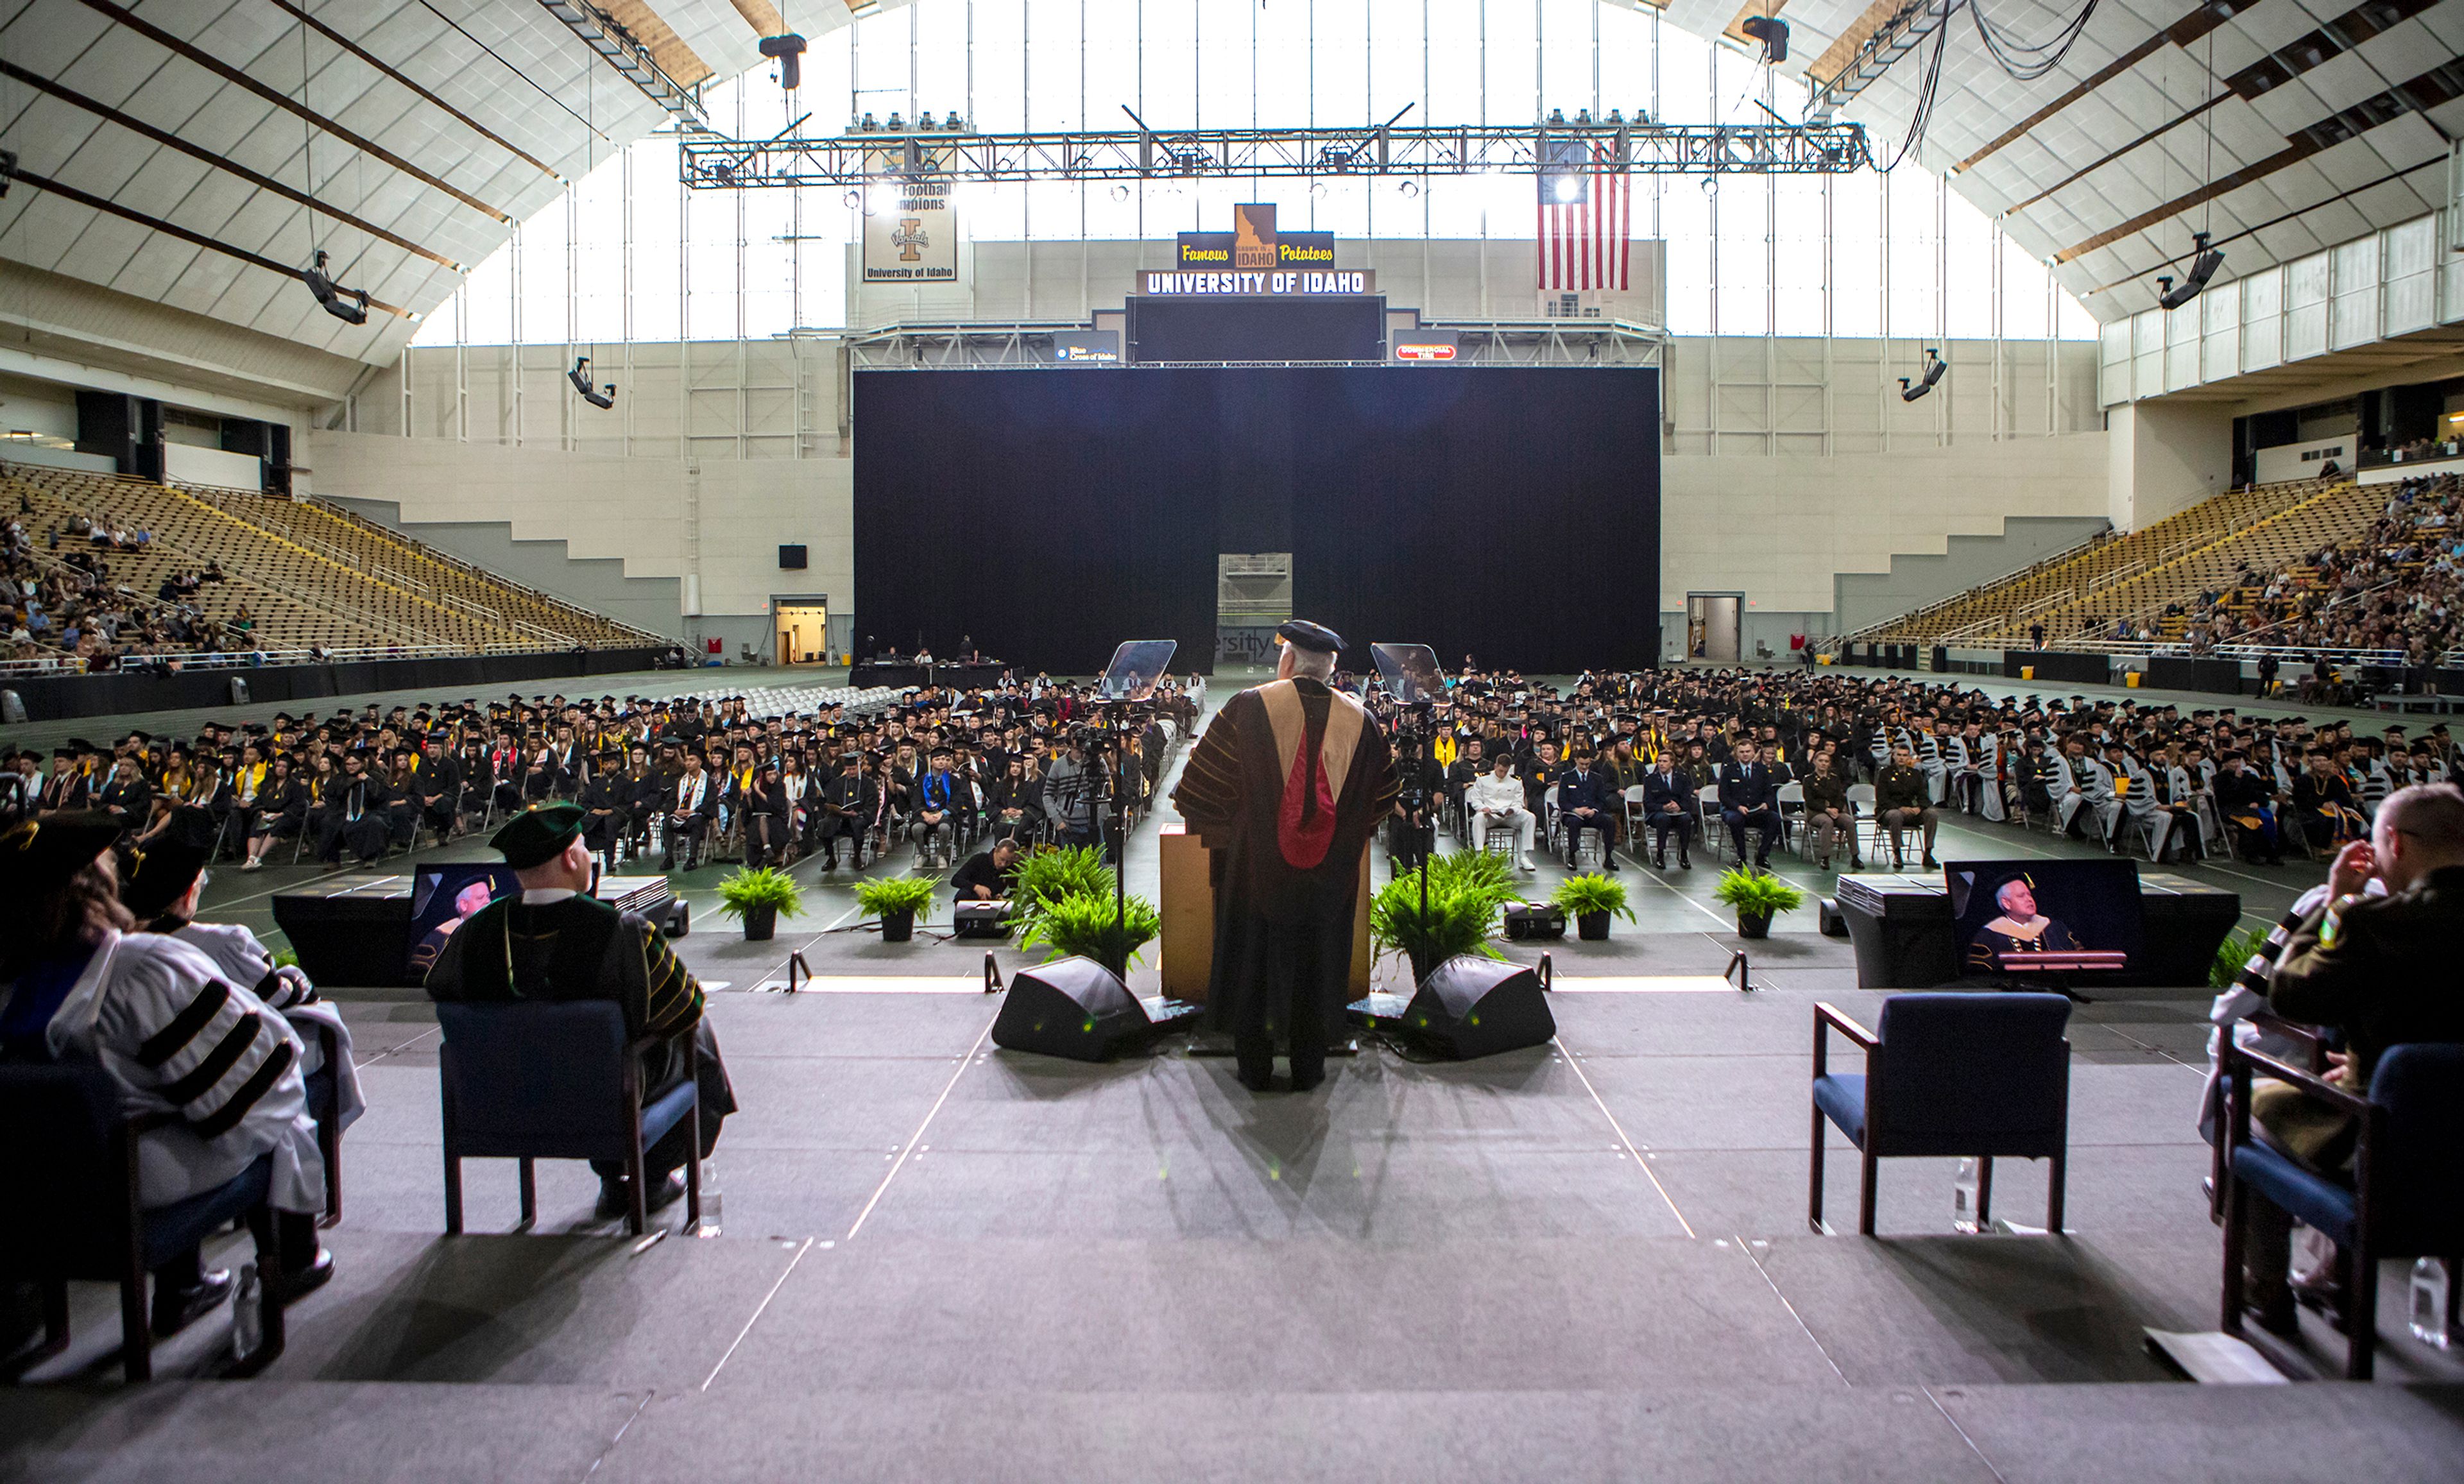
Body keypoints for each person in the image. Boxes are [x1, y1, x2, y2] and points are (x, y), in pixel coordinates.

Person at [0, 812, 330, 1336]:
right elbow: (258, 1085)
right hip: (123, 1177)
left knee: (169, 1097)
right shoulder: (142, 966)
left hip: (25, 1181)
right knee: (277, 1109)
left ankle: (189, 1280)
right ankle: (290, 1259)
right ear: (96, 883)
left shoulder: (15, 982)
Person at [424, 803, 737, 1221]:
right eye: (584, 846)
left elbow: (442, 992)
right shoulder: (622, 931)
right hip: (604, 1094)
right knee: (695, 1035)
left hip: (500, 1094)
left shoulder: (473, 933)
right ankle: (649, 1175)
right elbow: (684, 1007)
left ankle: (613, 1178)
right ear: (572, 858)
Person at [2236, 784, 2464, 1334]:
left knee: (2243, 1100)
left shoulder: (2376, 921)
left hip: (2393, 1142)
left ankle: (2266, 1286)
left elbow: (2292, 989)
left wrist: (2337, 904)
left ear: (2395, 843)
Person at [1170, 619, 1396, 1093]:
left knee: (1253, 965)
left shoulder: (1248, 707)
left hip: (1255, 873)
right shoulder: (1363, 721)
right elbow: (1382, 799)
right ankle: (1308, 1067)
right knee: (1318, 966)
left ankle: (1254, 1068)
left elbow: (1199, 790)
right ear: (1331, 671)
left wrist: (1237, 832)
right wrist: (1339, 840)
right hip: (1330, 881)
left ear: (1288, 661)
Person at [1963, 873, 2082, 972]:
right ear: (2006, 903)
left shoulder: (2056, 928)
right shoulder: (1987, 937)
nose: (2029, 899)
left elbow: (2083, 961)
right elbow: (1979, 977)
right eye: (2021, 896)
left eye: (2029, 895)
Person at [1464, 751, 1537, 872]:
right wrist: (1483, 808)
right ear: (1495, 767)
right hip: (1490, 815)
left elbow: (1519, 802)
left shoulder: (1516, 781)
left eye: (1505, 771)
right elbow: (1475, 799)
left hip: (1509, 815)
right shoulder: (1483, 779)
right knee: (1478, 818)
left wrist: (1513, 809)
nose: (1503, 774)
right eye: (1500, 771)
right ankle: (1479, 854)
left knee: (1530, 817)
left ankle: (1524, 856)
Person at [1874, 741, 1939, 869]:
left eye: (1905, 755)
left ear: (1909, 758)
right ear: (1894, 756)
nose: (1901, 758)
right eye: (1899, 755)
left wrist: (1919, 808)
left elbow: (1923, 796)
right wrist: (1900, 808)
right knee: (1896, 815)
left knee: (1932, 814)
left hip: (1910, 811)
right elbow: (1882, 798)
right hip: (1890, 811)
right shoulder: (1885, 773)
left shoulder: (1915, 775)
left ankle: (1928, 853)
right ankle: (1897, 853)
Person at [1718, 737, 1780, 870]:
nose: (1745, 754)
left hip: (1756, 809)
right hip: (1734, 809)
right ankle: (1742, 856)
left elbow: (1770, 792)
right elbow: (1724, 795)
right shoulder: (1729, 771)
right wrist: (1738, 807)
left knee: (1775, 818)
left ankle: (1762, 855)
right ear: (1737, 753)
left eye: (1748, 751)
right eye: (1742, 752)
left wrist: (1766, 804)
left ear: (1754, 753)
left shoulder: (1762, 770)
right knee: (1735, 820)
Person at [1556, 750, 1620, 872]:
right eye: (1582, 764)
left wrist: (1595, 810)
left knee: (1609, 821)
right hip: (1573, 814)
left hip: (1592, 813)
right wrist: (1575, 810)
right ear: (1576, 761)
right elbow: (1562, 801)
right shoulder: (1566, 777)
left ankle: (1609, 857)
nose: (1584, 767)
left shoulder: (1597, 778)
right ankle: (1572, 856)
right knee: (1574, 823)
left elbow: (1602, 800)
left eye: (1587, 764)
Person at [1800, 750, 1857, 871]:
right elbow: (1810, 801)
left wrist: (1836, 808)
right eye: (1821, 761)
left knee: (1850, 821)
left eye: (1826, 761)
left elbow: (1840, 797)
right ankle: (1825, 858)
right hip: (1817, 813)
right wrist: (1826, 809)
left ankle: (1855, 856)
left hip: (1835, 811)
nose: (1823, 764)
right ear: (1815, 762)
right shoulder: (1809, 780)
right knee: (1827, 822)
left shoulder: (1834, 779)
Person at [1639, 749, 1696, 869]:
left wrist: (1679, 806)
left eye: (1665, 761)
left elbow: (1687, 800)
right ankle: (1660, 855)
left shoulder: (1682, 778)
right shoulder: (1650, 779)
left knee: (1686, 819)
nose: (1661, 764)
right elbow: (1647, 803)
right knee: (1663, 819)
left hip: (1678, 812)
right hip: (1657, 813)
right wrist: (1663, 807)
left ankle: (1684, 854)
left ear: (1672, 763)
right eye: (1659, 761)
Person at [952, 834, 1022, 901]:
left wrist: (1005, 899)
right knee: (962, 895)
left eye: (1008, 862)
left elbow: (1015, 892)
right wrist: (976, 887)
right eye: (1001, 859)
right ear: (996, 851)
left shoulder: (1012, 868)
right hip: (971, 897)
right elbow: (956, 880)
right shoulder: (979, 859)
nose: (1003, 864)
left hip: (993, 901)